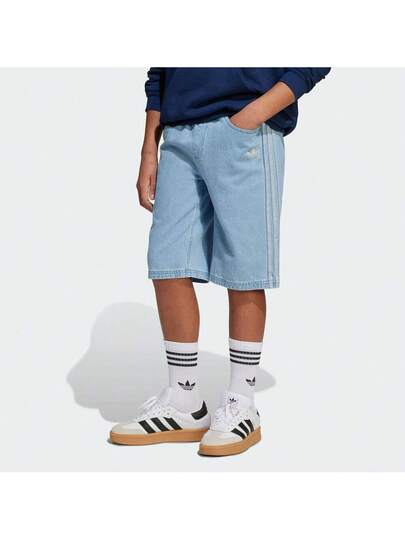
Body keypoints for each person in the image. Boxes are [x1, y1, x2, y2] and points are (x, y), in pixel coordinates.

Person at [110, 68, 330, 456]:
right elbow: (159, 69)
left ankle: (242, 402)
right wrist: (149, 148)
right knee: (168, 262)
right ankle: (183, 401)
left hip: (245, 130)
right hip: (178, 134)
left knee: (244, 269)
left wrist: (255, 114)